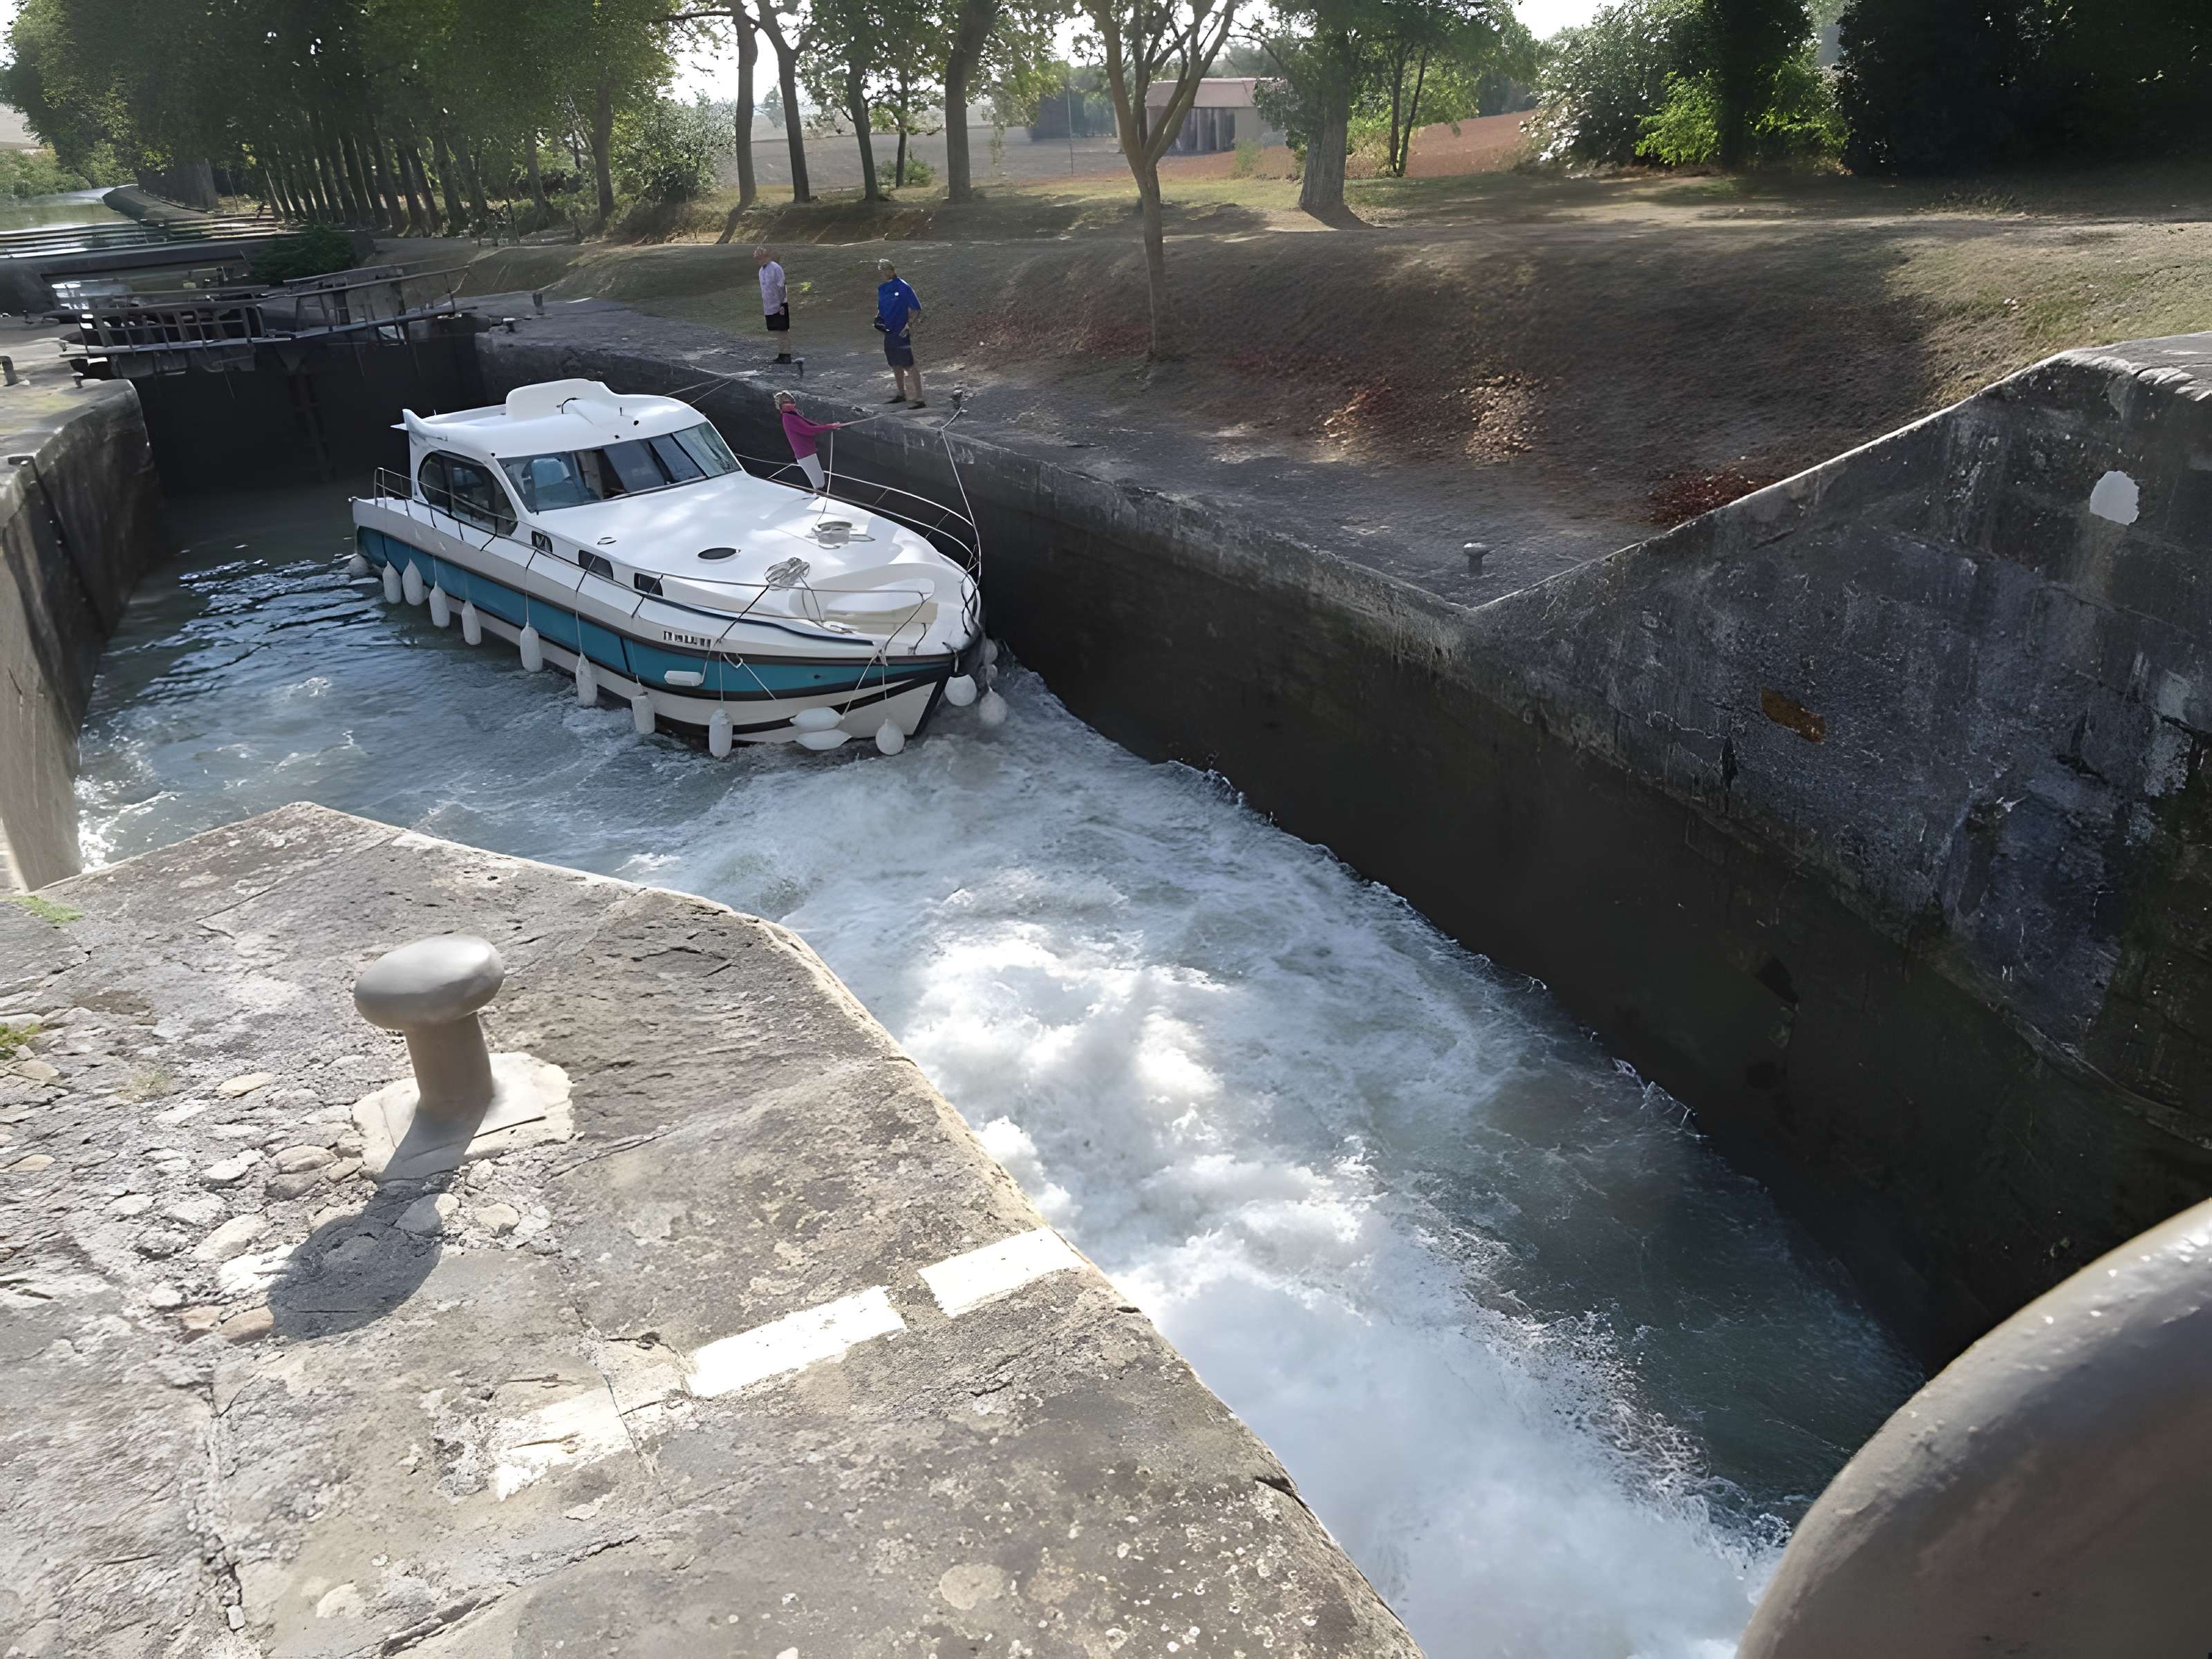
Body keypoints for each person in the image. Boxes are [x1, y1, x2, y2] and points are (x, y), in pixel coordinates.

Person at [874, 258, 924, 408]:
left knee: (909, 364)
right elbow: (881, 308)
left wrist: (908, 325)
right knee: (895, 364)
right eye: (881, 271)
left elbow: (916, 309)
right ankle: (901, 394)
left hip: (901, 331)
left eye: (885, 271)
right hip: (888, 332)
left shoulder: (903, 287)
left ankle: (920, 398)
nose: (883, 274)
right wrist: (878, 320)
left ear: (892, 270)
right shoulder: (882, 289)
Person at [776, 391, 844, 493]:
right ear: (781, 406)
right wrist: (829, 427)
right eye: (786, 402)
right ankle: (820, 500)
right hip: (805, 455)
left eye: (790, 401)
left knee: (820, 479)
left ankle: (820, 497)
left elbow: (810, 425)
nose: (789, 404)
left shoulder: (792, 415)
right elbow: (808, 430)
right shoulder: (789, 418)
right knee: (819, 483)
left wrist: (831, 427)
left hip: (807, 453)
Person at [756, 245, 793, 364]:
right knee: (776, 331)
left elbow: (781, 286)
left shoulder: (776, 268)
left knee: (783, 331)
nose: (758, 261)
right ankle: (781, 354)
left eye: (760, 258)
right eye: (757, 259)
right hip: (769, 306)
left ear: (766, 257)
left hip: (779, 304)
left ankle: (787, 355)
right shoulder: (761, 271)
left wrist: (782, 303)